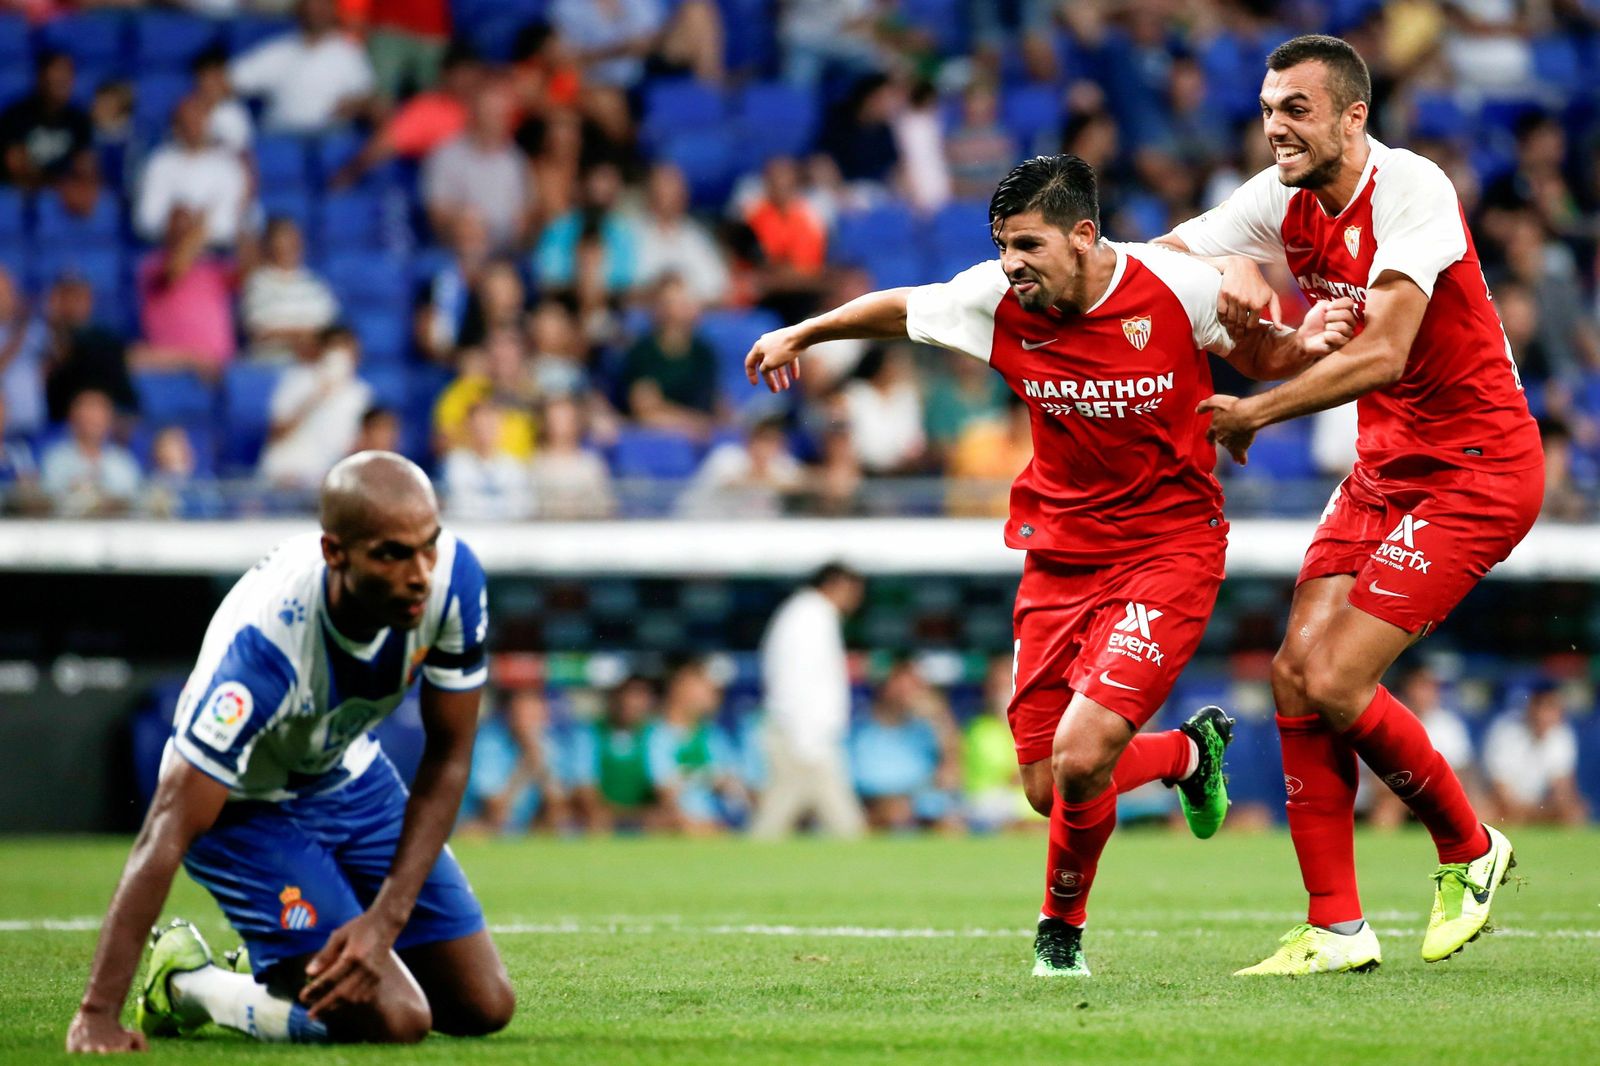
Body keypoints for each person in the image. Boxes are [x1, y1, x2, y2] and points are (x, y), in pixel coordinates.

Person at [746, 154, 1356, 975]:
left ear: (1083, 234)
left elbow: (1263, 359)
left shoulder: (1174, 286)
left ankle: (1058, 934)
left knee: (1080, 753)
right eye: (1002, 244)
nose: (1011, 263)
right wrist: (805, 331)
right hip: (1059, 558)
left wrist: (1302, 341)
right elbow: (904, 309)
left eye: (1027, 244)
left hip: (1169, 548)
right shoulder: (998, 299)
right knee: (1044, 784)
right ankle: (1185, 755)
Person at [1157, 34, 1539, 975]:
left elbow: (1384, 354)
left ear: (1352, 116)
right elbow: (1157, 258)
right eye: (1267, 108)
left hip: (1477, 466)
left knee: (1334, 679)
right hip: (1384, 466)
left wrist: (1256, 406)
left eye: (1295, 108)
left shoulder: (1414, 190)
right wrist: (1221, 275)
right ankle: (1335, 927)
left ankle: (1469, 847)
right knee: (1294, 672)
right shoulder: (1278, 196)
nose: (1275, 126)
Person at [64, 452, 514, 1052]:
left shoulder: (453, 580)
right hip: (247, 810)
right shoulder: (264, 654)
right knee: (396, 1020)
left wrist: (384, 920)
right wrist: (96, 1013)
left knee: (482, 1005)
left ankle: (281, 961)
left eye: (427, 544)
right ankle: (190, 985)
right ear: (335, 553)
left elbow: (450, 756)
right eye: (391, 554)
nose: (418, 573)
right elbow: (166, 829)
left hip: (347, 775)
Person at [748, 563, 869, 840]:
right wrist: (807, 741)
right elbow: (795, 681)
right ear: (836, 584)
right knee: (844, 826)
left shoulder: (812, 614)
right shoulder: (809, 617)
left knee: (774, 823)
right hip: (801, 738)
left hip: (804, 736)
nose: (856, 600)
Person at [228, 0, 376, 134]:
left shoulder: (349, 54)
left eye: (323, 4)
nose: (316, 10)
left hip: (328, 141)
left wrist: (356, 105)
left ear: (333, 9)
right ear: (301, 8)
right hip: (281, 138)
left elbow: (369, 99)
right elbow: (232, 79)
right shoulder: (280, 50)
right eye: (311, 4)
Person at [259, 326, 373, 491]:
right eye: (336, 350)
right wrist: (317, 395)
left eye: (348, 350)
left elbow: (357, 446)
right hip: (285, 474)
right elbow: (277, 432)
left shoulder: (361, 394)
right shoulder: (297, 379)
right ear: (322, 351)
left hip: (329, 480)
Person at [1367, 665, 1481, 830]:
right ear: (1407, 688)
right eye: (1421, 686)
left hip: (1439, 792)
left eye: (1430, 687)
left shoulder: (1448, 724)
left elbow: (1461, 773)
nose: (1426, 693)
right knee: (1385, 813)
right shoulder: (1388, 720)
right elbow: (1376, 782)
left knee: (1479, 809)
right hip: (1398, 795)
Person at [134, 96, 251, 249]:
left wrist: (198, 230)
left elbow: (229, 224)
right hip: (167, 250)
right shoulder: (159, 163)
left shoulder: (228, 166)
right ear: (176, 126)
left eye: (199, 120)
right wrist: (181, 222)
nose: (194, 127)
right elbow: (146, 219)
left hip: (217, 255)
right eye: (188, 122)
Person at [1483, 683, 1588, 827]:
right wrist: (1527, 812)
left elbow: (1562, 790)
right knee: (1483, 813)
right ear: (1531, 708)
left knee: (1575, 813)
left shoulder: (1562, 735)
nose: (1545, 715)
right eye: (1542, 708)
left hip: (1539, 807)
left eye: (1551, 709)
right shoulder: (1505, 730)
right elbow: (1500, 790)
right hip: (1501, 805)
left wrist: (1556, 808)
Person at [241, 217, 341, 364]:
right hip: (272, 365)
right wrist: (300, 337)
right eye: (283, 238)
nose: (291, 245)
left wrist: (308, 339)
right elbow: (259, 331)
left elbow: (331, 329)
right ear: (270, 244)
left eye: (294, 238)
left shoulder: (315, 284)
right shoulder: (258, 283)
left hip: (312, 364)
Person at [40, 389, 142, 518]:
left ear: (109, 419)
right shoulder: (56, 459)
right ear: (72, 417)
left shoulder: (123, 461)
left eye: (98, 413)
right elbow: (48, 501)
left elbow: (135, 503)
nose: (92, 419)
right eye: (87, 412)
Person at [0, 50, 91, 189]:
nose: (61, 83)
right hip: (20, 191)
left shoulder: (79, 120)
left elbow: (85, 166)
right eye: (55, 79)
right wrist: (57, 184)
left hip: (61, 195)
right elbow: (15, 165)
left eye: (66, 79)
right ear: (41, 78)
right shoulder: (16, 115)